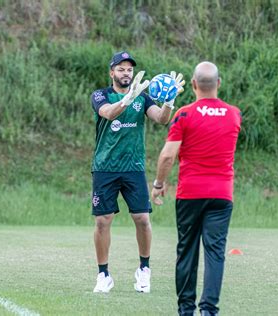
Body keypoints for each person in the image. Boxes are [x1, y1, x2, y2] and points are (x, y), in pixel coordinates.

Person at [151, 61, 241, 315]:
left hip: (190, 193)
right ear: (219, 84)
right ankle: (209, 310)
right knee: (215, 252)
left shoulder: (185, 114)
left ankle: (186, 310)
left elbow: (168, 155)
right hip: (222, 195)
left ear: (193, 85)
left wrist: (159, 184)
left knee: (187, 251)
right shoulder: (234, 113)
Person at [90, 51, 184, 293]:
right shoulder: (100, 95)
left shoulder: (143, 97)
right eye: (120, 69)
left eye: (129, 69)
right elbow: (109, 113)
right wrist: (126, 100)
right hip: (105, 168)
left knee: (142, 219)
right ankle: (103, 275)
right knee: (102, 221)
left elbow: (162, 119)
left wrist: (169, 100)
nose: (126, 73)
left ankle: (144, 270)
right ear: (112, 72)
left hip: (133, 168)